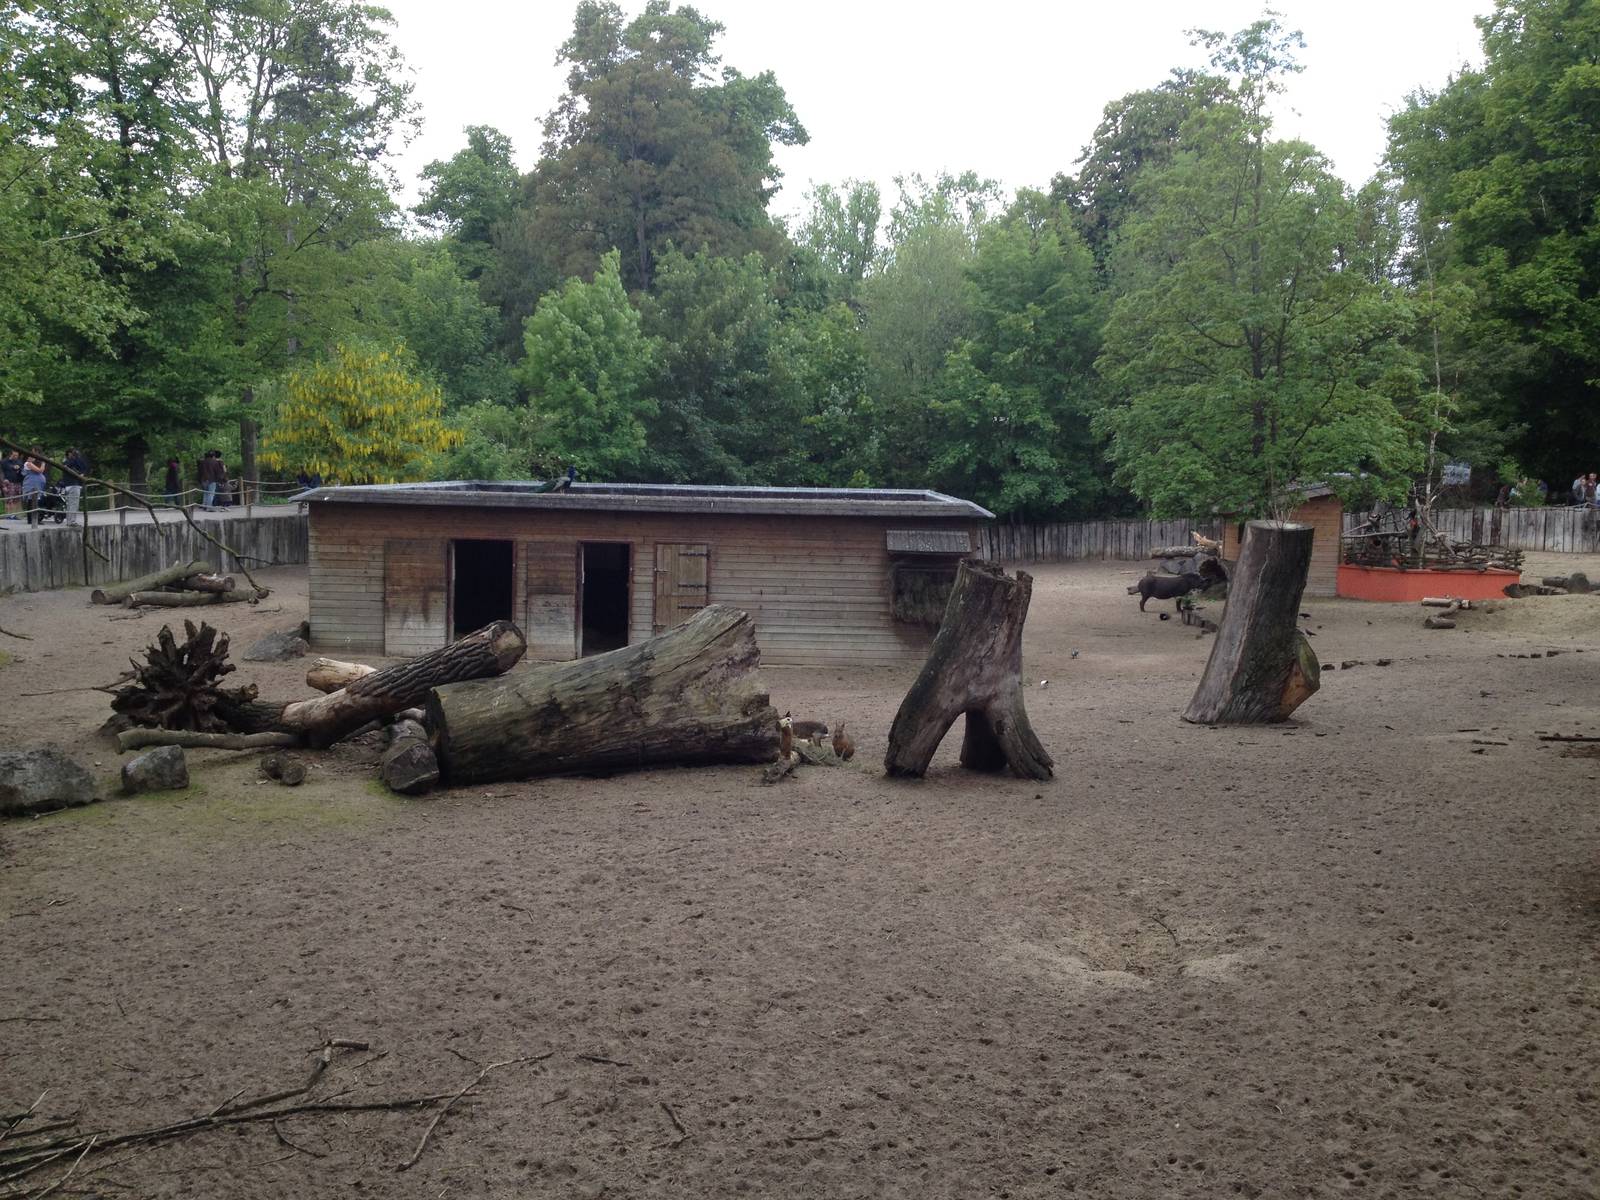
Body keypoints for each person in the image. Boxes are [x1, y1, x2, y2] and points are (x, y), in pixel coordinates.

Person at [62, 446, 89, 524]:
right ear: (69, 453)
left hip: (71, 485)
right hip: (73, 485)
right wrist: (76, 457)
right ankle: (72, 521)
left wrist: (77, 458)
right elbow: (74, 464)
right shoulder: (68, 461)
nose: (74, 455)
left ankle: (69, 521)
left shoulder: (69, 461)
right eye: (73, 453)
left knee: (70, 504)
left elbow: (84, 467)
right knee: (73, 504)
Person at [21, 449, 47, 526]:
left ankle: (34, 519)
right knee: (31, 501)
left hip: (37, 484)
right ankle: (31, 519)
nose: (33, 457)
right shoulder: (28, 463)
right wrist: (43, 463)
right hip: (31, 484)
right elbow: (40, 471)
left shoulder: (34, 463)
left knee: (35, 501)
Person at [1, 449, 21, 516]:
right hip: (8, 483)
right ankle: (8, 515)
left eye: (17, 455)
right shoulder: (4, 462)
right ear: (10, 454)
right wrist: (3, 484)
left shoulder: (19, 462)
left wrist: (19, 468)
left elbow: (22, 470)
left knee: (16, 499)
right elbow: (1, 473)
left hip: (17, 483)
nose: (16, 456)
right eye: (14, 455)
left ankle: (14, 515)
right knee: (9, 500)